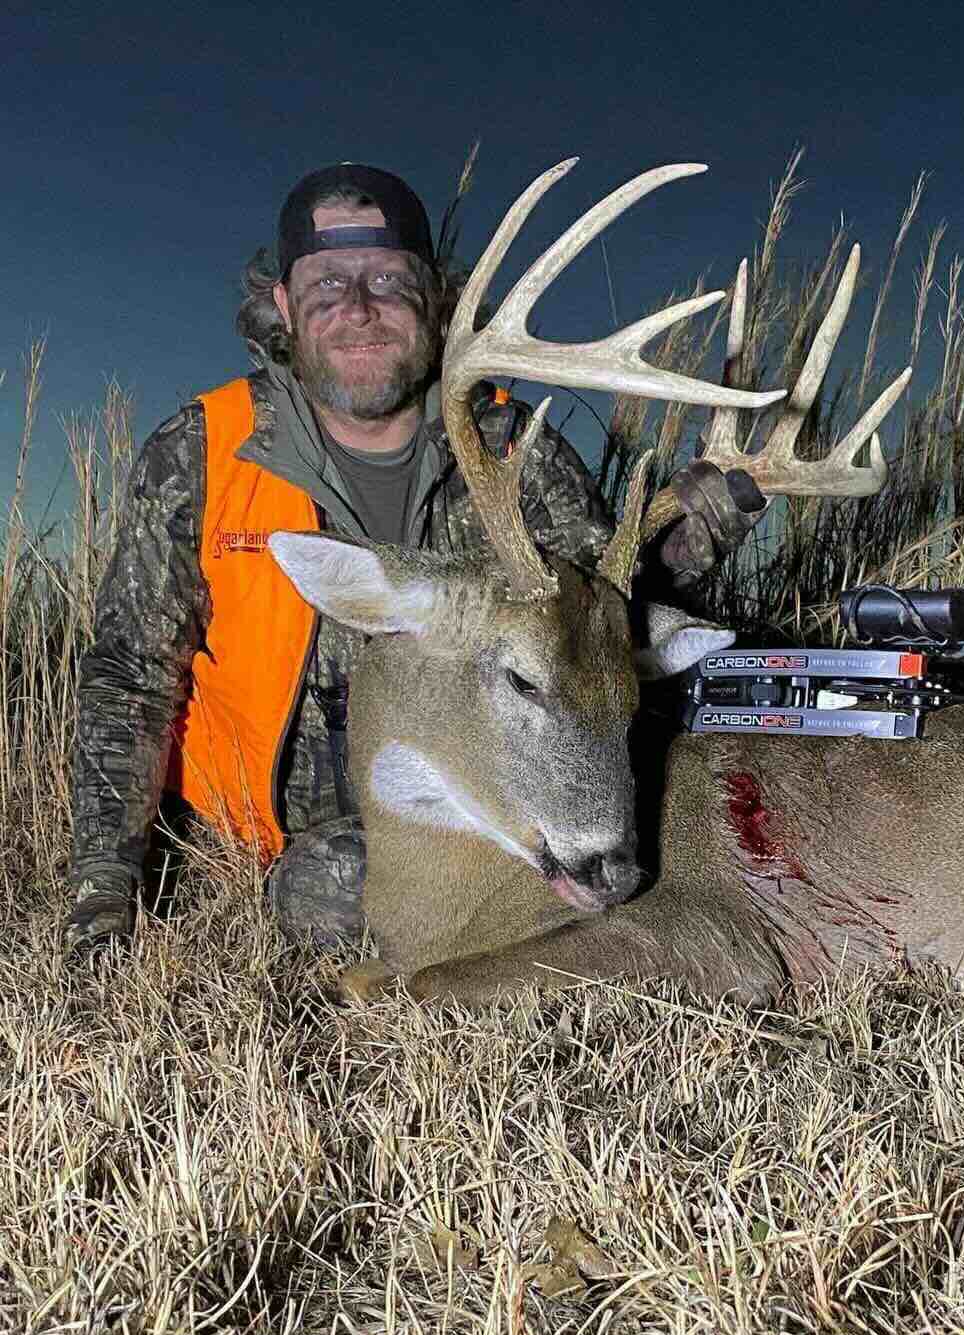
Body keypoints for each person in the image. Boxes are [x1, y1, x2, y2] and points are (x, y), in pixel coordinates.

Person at [65, 163, 769, 955]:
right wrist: (103, 897)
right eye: (327, 284)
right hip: (256, 834)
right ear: (283, 307)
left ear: (436, 299)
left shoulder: (516, 450)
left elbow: (596, 626)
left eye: (388, 280)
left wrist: (693, 535)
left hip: (470, 813)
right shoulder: (202, 452)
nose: (358, 308)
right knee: (328, 893)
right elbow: (129, 679)